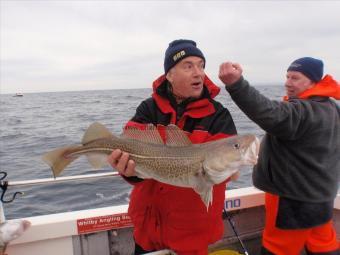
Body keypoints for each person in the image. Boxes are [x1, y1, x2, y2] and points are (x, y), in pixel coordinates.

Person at [107, 39, 237, 255]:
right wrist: (129, 172)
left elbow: (220, 168)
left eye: (201, 65)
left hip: (192, 235)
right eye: (188, 66)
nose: (199, 73)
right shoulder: (148, 108)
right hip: (147, 230)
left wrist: (231, 168)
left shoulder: (218, 115)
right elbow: (133, 159)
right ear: (169, 74)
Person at [219, 57, 340, 255]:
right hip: (322, 195)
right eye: (287, 76)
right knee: (322, 242)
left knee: (278, 247)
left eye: (295, 78)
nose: (287, 83)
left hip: (292, 199)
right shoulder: (332, 108)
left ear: (313, 82)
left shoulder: (302, 111)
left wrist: (236, 84)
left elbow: (267, 111)